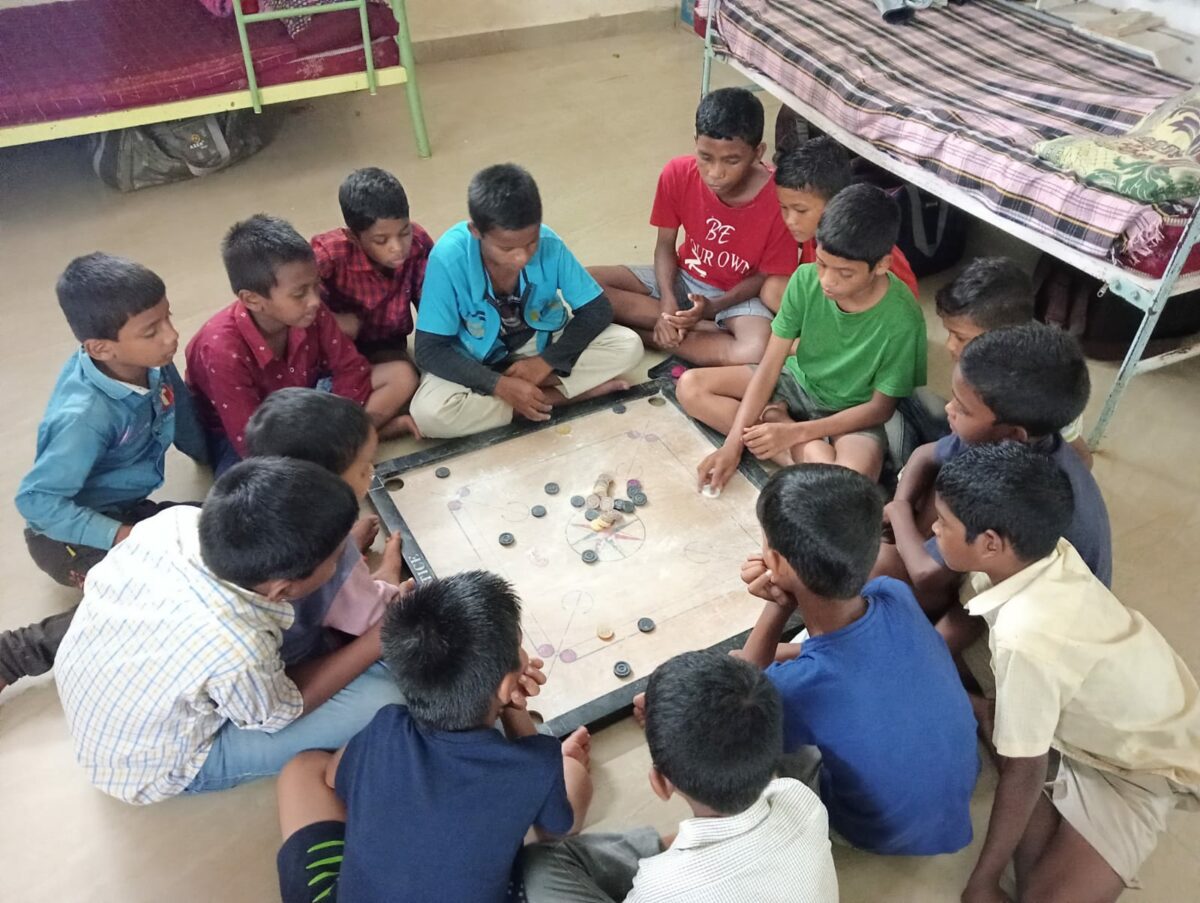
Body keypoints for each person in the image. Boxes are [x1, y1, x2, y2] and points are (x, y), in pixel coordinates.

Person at [931, 443, 1200, 903]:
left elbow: (1024, 771)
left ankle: (1004, 727)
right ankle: (1004, 724)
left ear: (991, 543)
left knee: (1042, 893)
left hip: (1137, 762)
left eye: (943, 524)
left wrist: (983, 880)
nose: (934, 529)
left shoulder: (1026, 635)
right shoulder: (1042, 552)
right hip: (1079, 722)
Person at [53, 458, 403, 804]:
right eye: (337, 556)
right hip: (148, 764)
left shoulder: (175, 522)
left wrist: (338, 555)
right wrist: (378, 636)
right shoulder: (238, 645)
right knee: (385, 700)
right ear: (282, 589)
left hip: (111, 693)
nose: (344, 556)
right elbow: (279, 712)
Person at [274, 570, 593, 903]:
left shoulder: (386, 726)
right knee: (572, 774)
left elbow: (333, 775)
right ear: (505, 687)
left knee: (304, 767)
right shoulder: (534, 765)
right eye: (518, 647)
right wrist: (521, 718)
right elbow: (557, 827)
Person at [739, 464, 979, 856]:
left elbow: (740, 699)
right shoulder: (891, 592)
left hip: (877, 831)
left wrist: (776, 609)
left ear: (777, 563)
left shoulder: (796, 687)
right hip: (956, 792)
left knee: (756, 750)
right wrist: (785, 640)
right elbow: (851, 655)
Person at [4, 253, 206, 694]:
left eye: (167, 318)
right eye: (152, 330)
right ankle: (17, 653)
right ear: (100, 348)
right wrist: (125, 537)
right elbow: (37, 503)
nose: (172, 336)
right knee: (155, 596)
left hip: (126, 510)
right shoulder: (83, 416)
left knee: (228, 525)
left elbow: (187, 421)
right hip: (65, 538)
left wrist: (223, 466)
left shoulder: (152, 361)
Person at [520, 650, 838, 903]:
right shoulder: (802, 800)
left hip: (678, 883)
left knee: (538, 864)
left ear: (660, 783)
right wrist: (676, 732)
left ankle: (675, 846)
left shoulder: (659, 888)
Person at [684, 184, 927, 483]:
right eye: (823, 264)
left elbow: (879, 408)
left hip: (851, 412)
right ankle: (796, 452)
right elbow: (770, 366)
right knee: (690, 386)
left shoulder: (903, 318)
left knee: (848, 480)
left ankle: (778, 428)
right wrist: (731, 446)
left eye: (845, 273)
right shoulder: (805, 279)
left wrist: (793, 431)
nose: (827, 281)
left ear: (881, 266)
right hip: (797, 381)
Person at [876, 323, 1111, 632]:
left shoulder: (1017, 490)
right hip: (1003, 570)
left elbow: (925, 572)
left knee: (875, 564)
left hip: (1045, 616)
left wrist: (896, 512)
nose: (949, 409)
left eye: (962, 408)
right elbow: (925, 455)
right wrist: (903, 501)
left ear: (1013, 435)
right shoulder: (1008, 437)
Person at [410, 164, 642, 438]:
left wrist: (545, 362)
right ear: (476, 231)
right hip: (474, 357)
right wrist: (498, 385)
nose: (521, 257)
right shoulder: (449, 257)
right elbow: (429, 349)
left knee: (629, 346)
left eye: (530, 243)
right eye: (506, 248)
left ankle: (525, 399)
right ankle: (558, 398)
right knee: (429, 415)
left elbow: (597, 309)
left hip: (538, 344)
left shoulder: (548, 242)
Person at [186, 213, 420, 475]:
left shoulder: (310, 310)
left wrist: (336, 425)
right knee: (257, 488)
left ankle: (347, 445)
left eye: (315, 286)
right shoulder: (221, 350)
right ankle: (360, 441)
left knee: (400, 375)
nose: (315, 301)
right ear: (252, 300)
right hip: (258, 428)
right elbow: (250, 442)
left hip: (307, 396)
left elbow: (350, 368)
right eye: (299, 293)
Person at [591, 87, 798, 366]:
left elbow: (763, 277)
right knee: (583, 284)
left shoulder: (780, 198)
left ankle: (650, 334)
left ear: (757, 152)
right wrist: (667, 303)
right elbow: (665, 246)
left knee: (754, 350)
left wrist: (714, 306)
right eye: (705, 157)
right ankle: (694, 329)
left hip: (736, 295)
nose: (715, 173)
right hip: (683, 277)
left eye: (732, 160)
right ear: (695, 144)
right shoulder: (677, 173)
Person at [243, 388, 403, 665]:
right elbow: (375, 616)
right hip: (297, 660)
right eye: (364, 468)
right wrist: (389, 574)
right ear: (326, 486)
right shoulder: (330, 555)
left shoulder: (249, 506)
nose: (373, 473)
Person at [935, 256, 1093, 468]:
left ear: (1002, 336)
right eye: (949, 333)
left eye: (960, 337)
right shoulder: (986, 358)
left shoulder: (1046, 386)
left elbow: (1079, 454)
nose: (949, 345)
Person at [762, 136, 918, 312]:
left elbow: (905, 304)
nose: (790, 220)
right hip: (832, 300)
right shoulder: (810, 229)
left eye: (800, 210)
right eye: (784, 208)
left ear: (834, 202)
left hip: (869, 317)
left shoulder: (866, 243)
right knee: (772, 289)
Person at [311, 166, 434, 361]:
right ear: (353, 237)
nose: (397, 247)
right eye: (381, 240)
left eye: (404, 232)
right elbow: (293, 298)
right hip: (335, 345)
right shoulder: (329, 255)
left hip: (389, 345)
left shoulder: (418, 244)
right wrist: (332, 321)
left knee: (405, 375)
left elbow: (431, 300)